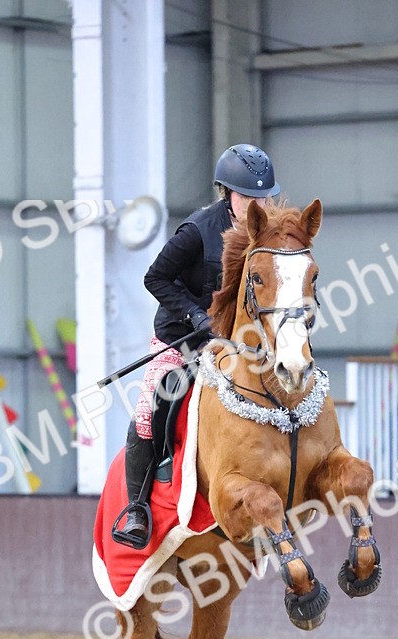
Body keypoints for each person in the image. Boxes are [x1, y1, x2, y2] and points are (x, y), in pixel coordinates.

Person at [116, 143, 280, 549]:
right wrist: (196, 315)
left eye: (265, 197)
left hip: (243, 340)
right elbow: (155, 278)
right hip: (185, 337)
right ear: (228, 194)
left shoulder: (272, 232)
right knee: (150, 408)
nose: (259, 205)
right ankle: (137, 508)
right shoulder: (197, 231)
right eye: (249, 197)